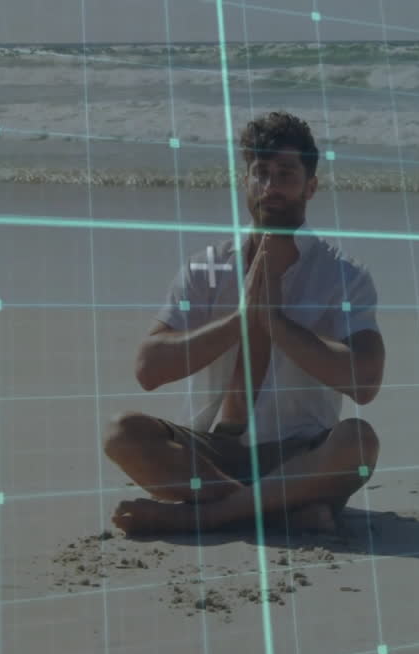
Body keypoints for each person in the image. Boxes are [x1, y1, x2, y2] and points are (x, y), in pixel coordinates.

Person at [104, 111, 385, 537]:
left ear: (311, 186)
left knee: (359, 443)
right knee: (121, 433)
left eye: (286, 174)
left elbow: (365, 381)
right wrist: (242, 319)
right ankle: (274, 508)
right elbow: (148, 369)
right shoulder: (207, 268)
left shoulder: (343, 275)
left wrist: (274, 323)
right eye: (261, 173)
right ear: (245, 180)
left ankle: (207, 515)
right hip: (211, 453)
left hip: (299, 455)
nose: (271, 187)